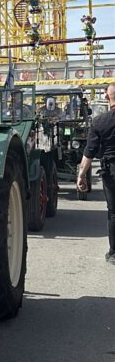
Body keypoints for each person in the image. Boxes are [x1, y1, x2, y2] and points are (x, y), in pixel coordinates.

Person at [77, 83, 115, 263]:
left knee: (113, 212)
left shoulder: (100, 122)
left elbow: (89, 152)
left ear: (107, 97)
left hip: (111, 170)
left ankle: (114, 253)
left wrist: (81, 175)